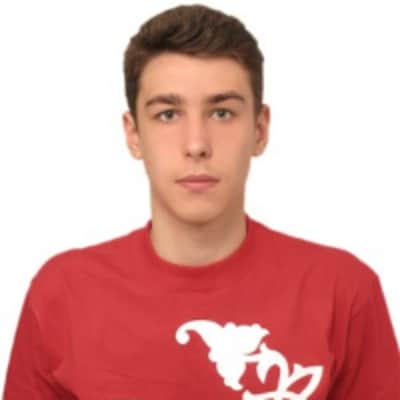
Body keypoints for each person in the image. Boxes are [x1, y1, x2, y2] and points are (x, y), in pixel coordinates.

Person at [2, 4, 399, 400]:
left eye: (222, 113)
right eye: (168, 114)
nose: (196, 144)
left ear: (260, 130)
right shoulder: (64, 294)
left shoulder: (342, 292)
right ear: (133, 135)